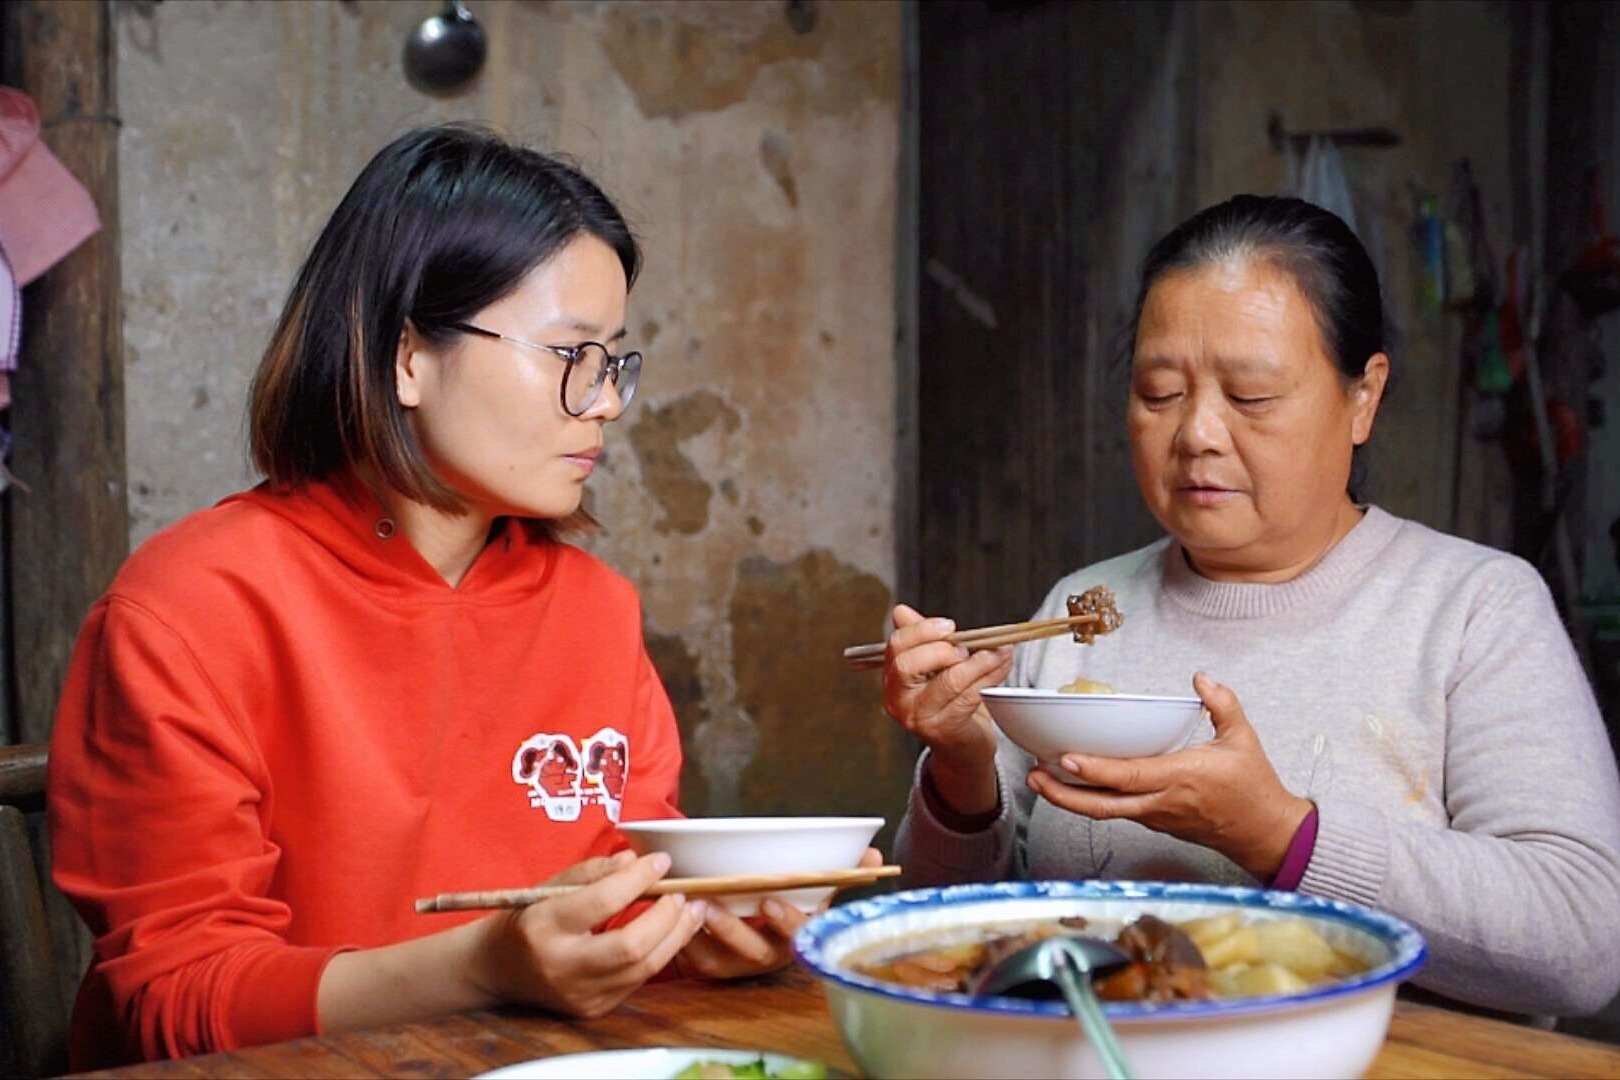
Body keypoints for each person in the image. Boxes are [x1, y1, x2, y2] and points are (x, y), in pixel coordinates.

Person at [48, 125, 866, 1068]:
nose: (603, 402)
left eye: (613, 362)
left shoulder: (596, 610)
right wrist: (482, 965)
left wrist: (705, 942)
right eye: (571, 356)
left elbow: (629, 898)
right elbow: (170, 1005)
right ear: (406, 356)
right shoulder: (188, 609)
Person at [886, 195, 1620, 1018]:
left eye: (1253, 395)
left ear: (1364, 397)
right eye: (1159, 392)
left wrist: (1280, 834)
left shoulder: (1476, 610)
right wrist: (959, 770)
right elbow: (947, 946)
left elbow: (1584, 943)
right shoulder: (1078, 615)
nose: (1197, 432)